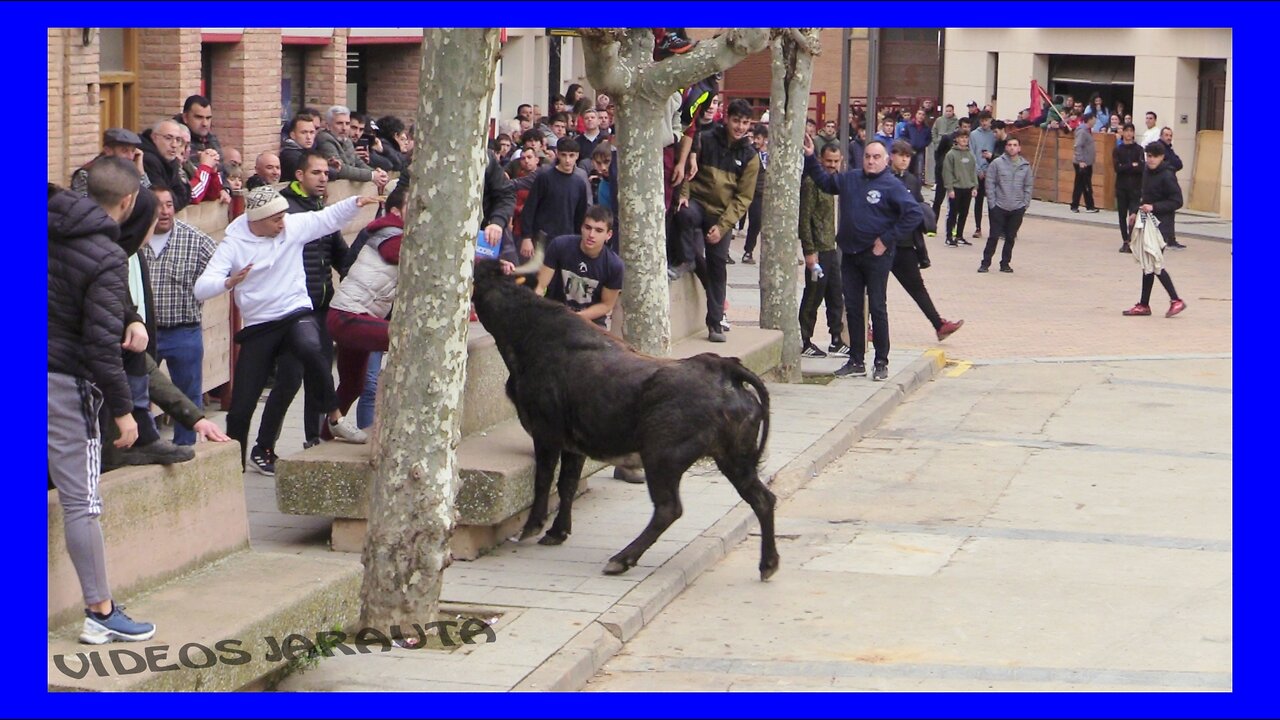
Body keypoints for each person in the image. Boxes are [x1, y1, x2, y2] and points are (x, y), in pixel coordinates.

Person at [193, 185, 376, 471]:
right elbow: (202, 286)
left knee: (311, 348)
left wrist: (355, 202)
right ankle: (233, 466)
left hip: (294, 310)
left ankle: (335, 417)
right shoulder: (233, 244)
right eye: (276, 219)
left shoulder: (291, 227)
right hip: (260, 324)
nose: (283, 223)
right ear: (257, 220)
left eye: (283, 217)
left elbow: (326, 219)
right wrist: (228, 283)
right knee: (241, 404)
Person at [48, 160, 156, 644]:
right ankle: (100, 610)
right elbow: (98, 346)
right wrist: (123, 409)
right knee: (81, 502)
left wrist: (129, 315)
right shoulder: (108, 256)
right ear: (129, 202)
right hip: (62, 384)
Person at [252, 150, 353, 468]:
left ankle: (313, 441)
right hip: (292, 310)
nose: (323, 178)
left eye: (326, 173)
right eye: (316, 173)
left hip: (321, 306)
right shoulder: (284, 211)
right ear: (299, 176)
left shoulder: (320, 210)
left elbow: (340, 255)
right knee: (290, 378)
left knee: (320, 375)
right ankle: (263, 448)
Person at [801, 135, 922, 381]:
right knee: (854, 308)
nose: (871, 161)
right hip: (850, 255)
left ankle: (881, 361)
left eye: (876, 157)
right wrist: (811, 157)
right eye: (867, 156)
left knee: (877, 307)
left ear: (886, 160)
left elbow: (914, 213)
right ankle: (856, 360)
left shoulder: (892, 185)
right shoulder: (851, 179)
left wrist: (888, 239)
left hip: (877, 256)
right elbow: (825, 182)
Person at [673, 99, 759, 342]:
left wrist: (722, 228)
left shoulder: (750, 157)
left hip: (722, 213)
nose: (740, 127)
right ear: (727, 118)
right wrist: (684, 195)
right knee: (682, 215)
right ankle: (688, 260)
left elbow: (743, 198)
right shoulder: (706, 138)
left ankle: (715, 322)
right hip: (698, 202)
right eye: (736, 121)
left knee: (718, 266)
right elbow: (689, 169)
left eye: (745, 122)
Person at [141, 186, 218, 446]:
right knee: (141, 391)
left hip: (184, 331)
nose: (164, 211)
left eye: (169, 205)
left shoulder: (196, 239)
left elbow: (222, 265)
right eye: (158, 205)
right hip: (145, 333)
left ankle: (186, 449)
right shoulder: (136, 239)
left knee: (188, 394)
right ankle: (148, 443)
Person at [327, 183, 407, 421]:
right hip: (348, 317)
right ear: (395, 211)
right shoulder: (391, 232)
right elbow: (401, 254)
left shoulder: (399, 231)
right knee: (408, 337)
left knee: (353, 385)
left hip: (357, 316)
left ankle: (326, 437)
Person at [888, 142, 964, 341]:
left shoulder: (912, 181)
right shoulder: (884, 179)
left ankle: (939, 325)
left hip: (906, 244)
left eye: (908, 156)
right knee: (874, 288)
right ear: (891, 156)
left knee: (917, 287)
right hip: (884, 242)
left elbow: (918, 206)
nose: (904, 159)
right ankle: (865, 327)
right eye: (900, 155)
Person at [1121, 142, 1186, 319]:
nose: (1149, 159)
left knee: (1154, 262)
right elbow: (1141, 195)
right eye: (1148, 156)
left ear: (1161, 157)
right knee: (1147, 263)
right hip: (1147, 222)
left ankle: (1175, 300)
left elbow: (1177, 201)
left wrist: (1155, 207)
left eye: (1153, 156)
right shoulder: (1147, 172)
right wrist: (1135, 211)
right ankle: (1144, 304)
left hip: (1161, 226)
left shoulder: (1167, 175)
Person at [535, 205, 625, 329]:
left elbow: (606, 305)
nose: (591, 235)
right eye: (588, 228)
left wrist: (575, 317)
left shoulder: (614, 265)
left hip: (592, 322)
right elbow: (540, 286)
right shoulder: (559, 245)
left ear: (608, 235)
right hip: (556, 313)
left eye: (598, 230)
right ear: (581, 227)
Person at [797, 144, 847, 358]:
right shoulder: (811, 183)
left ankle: (836, 338)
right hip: (817, 250)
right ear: (821, 159)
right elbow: (804, 220)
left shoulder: (837, 183)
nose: (832, 166)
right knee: (814, 294)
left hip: (831, 248)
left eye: (836, 161)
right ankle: (805, 339)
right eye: (829, 161)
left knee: (836, 294)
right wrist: (809, 251)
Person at [521, 137, 589, 258]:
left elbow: (580, 216)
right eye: (564, 155)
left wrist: (580, 241)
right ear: (557, 154)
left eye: (571, 155)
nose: (567, 160)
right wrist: (527, 237)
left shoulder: (580, 184)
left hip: (568, 240)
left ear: (577, 156)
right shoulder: (545, 178)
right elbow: (529, 208)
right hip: (542, 238)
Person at [979, 135, 1034, 274]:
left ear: (1019, 148)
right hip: (999, 205)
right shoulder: (997, 163)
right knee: (994, 236)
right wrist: (992, 203)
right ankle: (985, 263)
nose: (1012, 147)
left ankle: (1005, 263)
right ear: (1005, 147)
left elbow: (1028, 186)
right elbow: (990, 183)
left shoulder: (1025, 166)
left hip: (1017, 207)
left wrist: (1025, 204)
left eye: (1015, 145)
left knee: (1010, 237)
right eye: (1009, 145)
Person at [71, 128, 151, 196]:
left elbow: (146, 198)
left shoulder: (130, 171)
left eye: (133, 151)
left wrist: (140, 171)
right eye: (124, 151)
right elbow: (83, 206)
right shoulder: (86, 174)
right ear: (108, 150)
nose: (130, 157)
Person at [941, 130, 978, 247]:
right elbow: (947, 172)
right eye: (961, 138)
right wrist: (950, 188)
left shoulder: (970, 155)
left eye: (966, 138)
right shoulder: (951, 154)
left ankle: (959, 235)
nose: (964, 140)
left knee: (964, 213)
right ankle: (949, 236)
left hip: (967, 187)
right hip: (956, 188)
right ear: (956, 139)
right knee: (953, 213)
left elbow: (973, 172)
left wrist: (975, 186)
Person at [1113, 122, 1144, 254]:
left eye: (1131, 131)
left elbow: (1141, 168)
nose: (1129, 134)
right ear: (1123, 133)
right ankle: (1125, 240)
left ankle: (1131, 239)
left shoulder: (1139, 149)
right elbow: (1117, 168)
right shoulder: (1118, 150)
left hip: (1135, 187)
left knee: (1133, 215)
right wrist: (1131, 165)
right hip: (1121, 187)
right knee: (1121, 215)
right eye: (1126, 131)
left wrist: (1127, 166)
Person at [741, 124, 769, 264]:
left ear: (765, 139)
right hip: (754, 193)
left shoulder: (773, 153)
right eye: (755, 138)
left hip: (769, 195)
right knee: (755, 222)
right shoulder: (751, 152)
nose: (756, 141)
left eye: (758, 138)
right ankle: (748, 251)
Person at [968, 111, 997, 240]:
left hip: (991, 171)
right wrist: (978, 170)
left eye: (987, 120)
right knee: (978, 201)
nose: (985, 123)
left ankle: (994, 228)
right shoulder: (973, 135)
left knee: (992, 201)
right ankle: (978, 227)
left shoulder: (994, 134)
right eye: (982, 120)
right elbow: (972, 153)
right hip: (978, 172)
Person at [1070, 122, 1100, 213]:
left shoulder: (1086, 131)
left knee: (1081, 184)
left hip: (1086, 161)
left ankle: (1078, 205)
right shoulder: (1083, 131)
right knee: (1083, 184)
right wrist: (1081, 160)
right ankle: (1088, 205)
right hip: (1083, 162)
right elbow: (1078, 146)